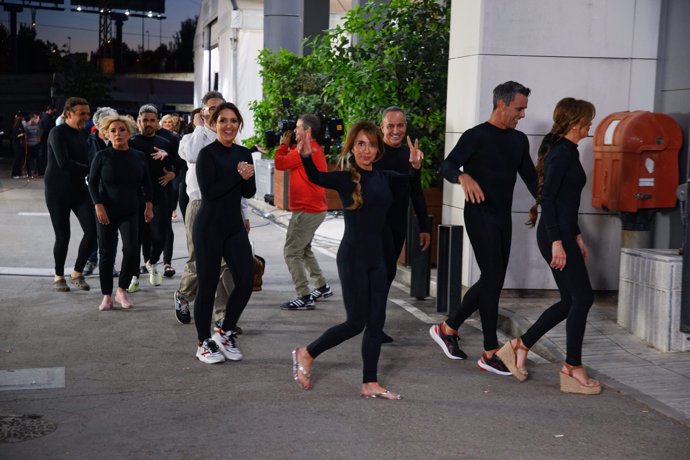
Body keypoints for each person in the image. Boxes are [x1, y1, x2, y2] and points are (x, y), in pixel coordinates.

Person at [291, 120, 422, 399]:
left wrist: (415, 166)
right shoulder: (345, 178)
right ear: (352, 146)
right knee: (356, 322)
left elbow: (410, 181)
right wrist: (304, 155)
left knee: (376, 322)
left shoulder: (384, 177)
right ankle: (307, 352)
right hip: (352, 258)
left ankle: (369, 382)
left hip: (379, 258)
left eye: (372, 145)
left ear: (378, 149)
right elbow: (315, 176)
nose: (366, 150)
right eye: (361, 144)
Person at [429, 81, 537, 375]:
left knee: (494, 280)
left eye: (524, 108)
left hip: (502, 217)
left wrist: (544, 201)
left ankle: (448, 328)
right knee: (492, 278)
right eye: (519, 108)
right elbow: (448, 165)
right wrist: (463, 178)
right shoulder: (475, 136)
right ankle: (490, 350)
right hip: (479, 215)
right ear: (501, 105)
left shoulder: (518, 140)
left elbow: (530, 176)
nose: (523, 114)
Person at [496, 98, 602, 395]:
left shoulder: (569, 151)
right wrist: (558, 241)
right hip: (554, 234)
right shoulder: (561, 155)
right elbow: (550, 202)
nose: (590, 125)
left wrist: (577, 235)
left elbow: (568, 202)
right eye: (587, 120)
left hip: (564, 233)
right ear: (574, 122)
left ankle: (520, 344)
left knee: (571, 300)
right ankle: (572, 367)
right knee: (583, 298)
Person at [173, 92, 251, 330]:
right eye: (211, 109)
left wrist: (244, 214)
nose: (218, 115)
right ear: (203, 112)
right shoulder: (193, 140)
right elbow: (193, 155)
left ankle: (221, 315)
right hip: (200, 205)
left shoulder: (235, 144)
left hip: (229, 208)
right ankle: (184, 295)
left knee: (227, 267)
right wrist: (200, 128)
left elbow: (243, 185)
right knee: (200, 262)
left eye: (221, 109)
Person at [193, 102, 255, 364]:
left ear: (239, 124)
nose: (228, 125)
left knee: (246, 280)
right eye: (223, 121)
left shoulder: (243, 152)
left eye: (233, 121)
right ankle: (203, 342)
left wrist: (245, 177)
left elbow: (249, 191)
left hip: (233, 226)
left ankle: (225, 331)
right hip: (209, 226)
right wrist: (237, 175)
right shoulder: (208, 154)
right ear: (214, 123)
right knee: (207, 285)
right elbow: (210, 192)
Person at [376, 106, 431, 343]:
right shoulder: (373, 153)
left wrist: (425, 226)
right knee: (377, 276)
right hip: (374, 226)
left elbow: (415, 191)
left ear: (406, 126)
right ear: (382, 128)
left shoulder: (410, 155)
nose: (396, 131)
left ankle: (375, 325)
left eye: (400, 126)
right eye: (391, 126)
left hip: (397, 225)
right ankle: (370, 325)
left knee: (387, 275)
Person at [88, 115, 153, 311]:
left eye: (122, 130)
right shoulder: (102, 156)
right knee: (106, 252)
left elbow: (147, 183)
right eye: (113, 131)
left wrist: (149, 205)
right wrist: (98, 205)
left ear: (129, 133)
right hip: (106, 210)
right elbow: (92, 182)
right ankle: (106, 295)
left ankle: (122, 290)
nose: (118, 134)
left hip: (131, 210)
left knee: (132, 250)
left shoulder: (139, 156)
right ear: (107, 134)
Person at [274, 114, 333, 310]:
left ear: (307, 131)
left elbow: (280, 163)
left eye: (298, 127)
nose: (294, 131)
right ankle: (321, 286)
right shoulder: (313, 147)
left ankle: (304, 296)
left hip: (306, 210)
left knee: (291, 252)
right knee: (304, 249)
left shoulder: (303, 150)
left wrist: (283, 145)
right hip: (314, 209)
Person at [44, 97, 97, 292]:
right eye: (82, 113)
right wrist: (91, 169)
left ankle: (77, 272)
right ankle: (59, 276)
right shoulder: (57, 133)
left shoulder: (83, 134)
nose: (86, 117)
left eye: (87, 113)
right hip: (57, 191)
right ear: (68, 114)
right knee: (63, 235)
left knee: (92, 231)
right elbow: (63, 162)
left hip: (78, 190)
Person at [127, 104, 177, 291]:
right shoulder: (131, 142)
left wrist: (172, 172)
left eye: (151, 120)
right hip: (136, 197)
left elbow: (180, 164)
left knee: (159, 236)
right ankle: (133, 276)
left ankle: (152, 262)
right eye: (144, 120)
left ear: (157, 122)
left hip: (160, 195)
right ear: (139, 121)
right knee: (136, 239)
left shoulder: (167, 143)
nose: (148, 123)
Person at [83, 106, 119, 277]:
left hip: (115, 194)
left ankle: (109, 264)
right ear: (98, 126)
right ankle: (91, 260)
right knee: (93, 229)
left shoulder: (121, 140)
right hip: (93, 192)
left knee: (110, 234)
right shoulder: (88, 142)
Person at [38, 105, 58, 176]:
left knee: (42, 156)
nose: (54, 112)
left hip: (42, 140)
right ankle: (44, 171)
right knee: (46, 157)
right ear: (49, 110)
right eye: (53, 111)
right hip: (46, 140)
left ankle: (41, 171)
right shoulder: (48, 119)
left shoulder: (42, 119)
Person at [23, 112, 42, 178]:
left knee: (36, 159)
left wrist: (38, 140)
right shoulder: (26, 125)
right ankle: (29, 173)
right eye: (34, 118)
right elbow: (25, 135)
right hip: (29, 145)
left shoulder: (36, 125)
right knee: (29, 160)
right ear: (31, 118)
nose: (35, 119)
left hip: (35, 145)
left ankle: (35, 172)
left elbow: (39, 134)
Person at [11, 113, 27, 179]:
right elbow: (14, 136)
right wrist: (20, 135)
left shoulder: (21, 126)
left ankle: (19, 173)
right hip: (16, 144)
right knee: (17, 159)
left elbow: (24, 132)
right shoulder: (16, 126)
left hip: (21, 144)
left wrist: (23, 134)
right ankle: (14, 174)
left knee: (20, 159)